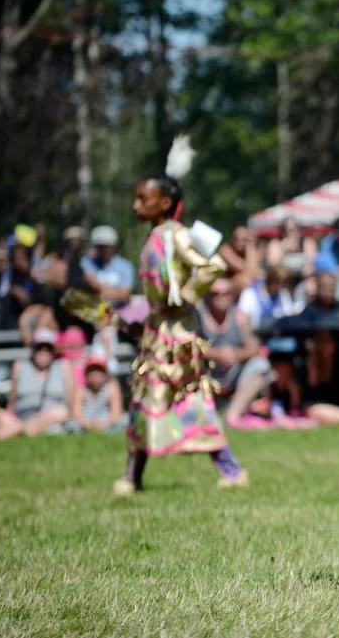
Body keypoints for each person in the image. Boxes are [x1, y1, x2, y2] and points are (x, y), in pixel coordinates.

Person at [113, 173, 247, 496]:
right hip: (157, 332)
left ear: (164, 203)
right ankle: (133, 476)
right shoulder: (155, 237)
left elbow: (212, 265)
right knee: (147, 398)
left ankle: (229, 469)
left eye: (142, 199)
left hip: (177, 337)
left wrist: (186, 296)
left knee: (188, 398)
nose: (135, 206)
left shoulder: (180, 236)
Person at [199, 278, 272, 425]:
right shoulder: (198, 315)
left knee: (260, 365)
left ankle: (232, 416)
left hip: (233, 375)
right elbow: (186, 347)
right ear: (208, 295)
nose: (222, 297)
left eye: (226, 293)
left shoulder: (239, 315)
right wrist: (216, 354)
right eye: (216, 293)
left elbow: (254, 347)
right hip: (205, 375)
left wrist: (234, 354)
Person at [9, 328, 76, 436]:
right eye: (39, 348)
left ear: (53, 351)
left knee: (61, 413)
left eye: (48, 349)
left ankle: (24, 430)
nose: (43, 353)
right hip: (23, 414)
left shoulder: (63, 366)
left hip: (54, 416)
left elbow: (71, 401)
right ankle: (25, 429)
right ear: (33, 349)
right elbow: (12, 399)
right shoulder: (20, 366)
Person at [81, 225, 136, 307]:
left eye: (107, 246)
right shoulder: (87, 262)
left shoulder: (125, 266)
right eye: (101, 247)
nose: (104, 250)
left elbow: (124, 295)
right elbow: (88, 282)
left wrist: (99, 289)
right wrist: (115, 292)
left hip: (118, 313)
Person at [71, 356, 126, 433]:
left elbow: (116, 414)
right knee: (72, 424)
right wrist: (88, 425)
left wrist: (101, 425)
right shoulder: (81, 390)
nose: (95, 375)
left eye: (98, 371)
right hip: (85, 423)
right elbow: (76, 414)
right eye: (92, 371)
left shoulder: (111, 388)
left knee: (124, 421)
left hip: (107, 422)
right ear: (86, 374)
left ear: (105, 374)